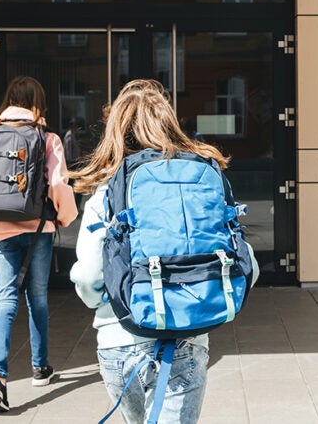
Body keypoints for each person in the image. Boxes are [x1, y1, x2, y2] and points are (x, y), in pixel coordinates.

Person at [68, 79, 258, 423]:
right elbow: (248, 265)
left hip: (118, 339)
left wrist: (108, 302)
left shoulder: (107, 191)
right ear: (169, 124)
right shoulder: (202, 178)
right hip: (186, 338)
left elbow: (89, 276)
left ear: (115, 130)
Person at [0, 76, 78, 413]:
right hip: (38, 229)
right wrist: (63, 218)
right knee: (37, 298)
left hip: (1, 231)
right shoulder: (46, 138)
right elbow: (58, 185)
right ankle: (40, 368)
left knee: (5, 300)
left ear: (9, 99)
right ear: (40, 102)